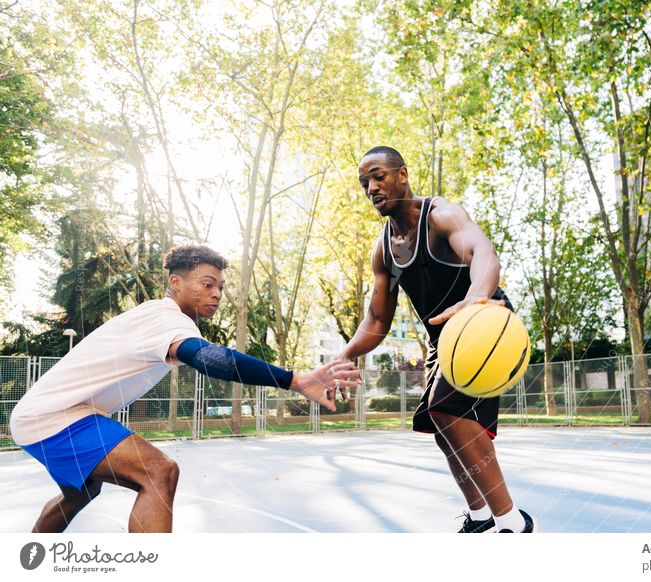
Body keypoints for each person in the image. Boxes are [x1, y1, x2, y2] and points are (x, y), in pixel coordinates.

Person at [10, 244, 360, 533]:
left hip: (45, 416)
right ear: (175, 283)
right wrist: (294, 379)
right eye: (207, 284)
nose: (217, 293)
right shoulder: (165, 318)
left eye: (220, 287)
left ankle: (30, 560)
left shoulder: (158, 318)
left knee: (80, 492)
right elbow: (205, 357)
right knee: (159, 472)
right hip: (56, 417)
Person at [338, 146, 533, 533]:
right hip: (443, 338)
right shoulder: (385, 249)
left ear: (402, 174)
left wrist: (476, 295)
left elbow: (483, 253)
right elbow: (377, 320)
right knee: (438, 424)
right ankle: (479, 517)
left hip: (484, 320)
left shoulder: (442, 215)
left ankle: (514, 523)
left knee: (447, 410)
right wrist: (344, 356)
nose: (371, 187)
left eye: (378, 176)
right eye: (364, 183)